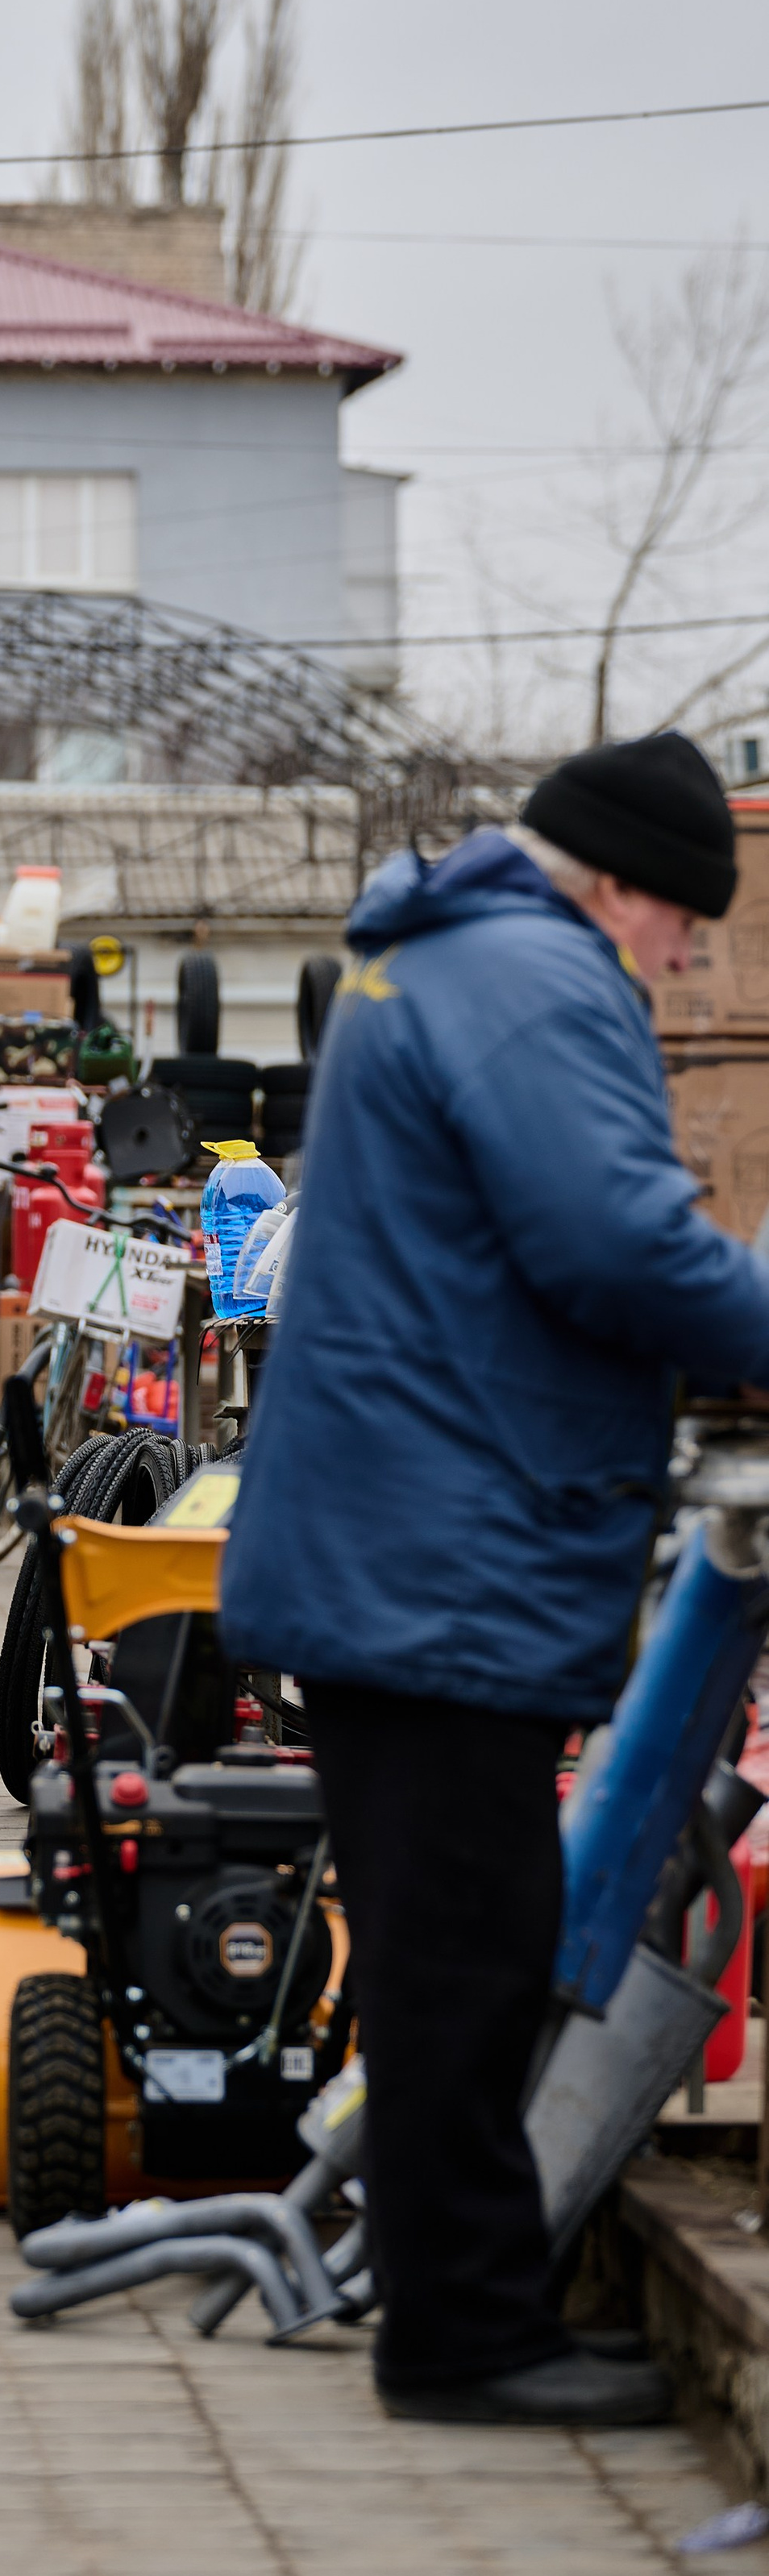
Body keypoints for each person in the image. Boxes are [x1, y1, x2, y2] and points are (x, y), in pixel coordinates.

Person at [221, 734, 769, 2427]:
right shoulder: (534, 980)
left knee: (452, 1928)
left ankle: (463, 2306)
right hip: (438, 1539)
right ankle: (461, 2337)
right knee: (464, 1941)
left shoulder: (438, 959)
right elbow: (610, 1239)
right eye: (684, 924)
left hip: (405, 1524)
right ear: (624, 883)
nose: (680, 963)